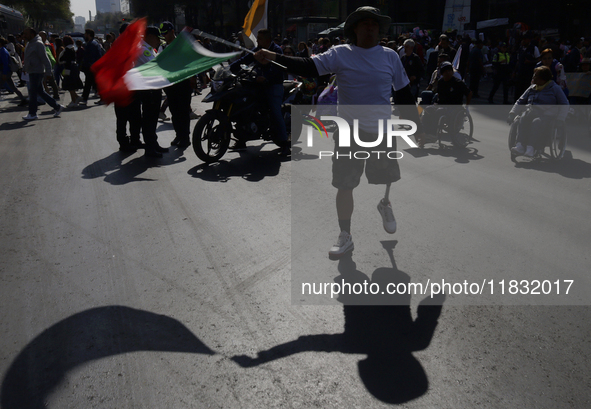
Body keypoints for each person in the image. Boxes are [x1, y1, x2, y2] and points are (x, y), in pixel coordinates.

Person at [253, 6, 423, 258]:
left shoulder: (390, 57)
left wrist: (417, 128)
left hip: (381, 132)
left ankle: (384, 203)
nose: (370, 27)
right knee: (345, 185)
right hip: (349, 133)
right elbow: (309, 66)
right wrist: (273, 56)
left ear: (379, 28)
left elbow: (403, 93)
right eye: (364, 23)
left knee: (387, 177)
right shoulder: (341, 53)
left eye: (374, 23)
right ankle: (346, 236)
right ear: (354, 28)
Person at [230, 28, 287, 152]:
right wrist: (228, 69)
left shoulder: (276, 50)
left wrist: (266, 77)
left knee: (275, 111)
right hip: (258, 83)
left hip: (273, 85)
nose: (258, 40)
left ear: (267, 40)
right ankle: (242, 138)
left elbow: (277, 68)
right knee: (243, 106)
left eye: (260, 38)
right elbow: (244, 60)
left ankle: (284, 143)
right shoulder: (257, 50)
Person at [509, 66, 569, 158]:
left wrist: (560, 119)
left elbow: (564, 104)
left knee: (537, 122)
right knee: (523, 118)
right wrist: (512, 113)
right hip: (531, 111)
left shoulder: (554, 88)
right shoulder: (532, 88)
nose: (533, 78)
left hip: (547, 115)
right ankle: (520, 145)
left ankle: (532, 148)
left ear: (542, 78)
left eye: (535, 76)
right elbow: (520, 101)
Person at [159, 21, 193, 150]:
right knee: (174, 111)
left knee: (183, 112)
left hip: (183, 82)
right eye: (162, 34)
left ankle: (185, 137)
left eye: (166, 33)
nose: (164, 36)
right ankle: (179, 135)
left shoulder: (181, 45)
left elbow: (189, 62)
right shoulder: (163, 47)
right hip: (170, 84)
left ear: (172, 32)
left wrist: (192, 78)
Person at [136, 26, 169, 158]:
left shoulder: (148, 49)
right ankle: (150, 148)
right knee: (149, 119)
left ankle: (153, 144)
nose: (158, 42)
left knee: (153, 118)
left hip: (152, 89)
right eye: (157, 39)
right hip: (148, 90)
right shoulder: (143, 50)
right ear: (149, 36)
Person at [21, 27, 65, 121]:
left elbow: (45, 59)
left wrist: (48, 72)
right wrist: (25, 68)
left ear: (32, 34)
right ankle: (57, 107)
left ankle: (32, 113)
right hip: (32, 71)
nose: (24, 35)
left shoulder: (38, 44)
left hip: (37, 72)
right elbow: (28, 58)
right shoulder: (29, 43)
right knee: (39, 92)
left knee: (33, 93)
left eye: (26, 33)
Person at [79, 29, 103, 105]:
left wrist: (89, 66)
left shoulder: (91, 44)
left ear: (89, 35)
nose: (84, 35)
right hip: (94, 66)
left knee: (89, 83)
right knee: (93, 83)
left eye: (85, 34)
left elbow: (92, 57)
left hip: (92, 67)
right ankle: (85, 98)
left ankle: (84, 99)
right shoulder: (94, 43)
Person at [58, 35, 83, 108]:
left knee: (70, 85)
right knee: (70, 85)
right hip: (73, 68)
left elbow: (64, 59)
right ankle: (76, 97)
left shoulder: (67, 50)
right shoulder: (72, 48)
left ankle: (74, 101)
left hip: (69, 68)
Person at [0, 37, 26, 104]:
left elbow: (5, 63)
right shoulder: (3, 50)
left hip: (4, 72)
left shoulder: (2, 51)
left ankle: (23, 99)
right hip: (6, 72)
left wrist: (4, 73)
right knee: (13, 87)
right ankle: (23, 99)